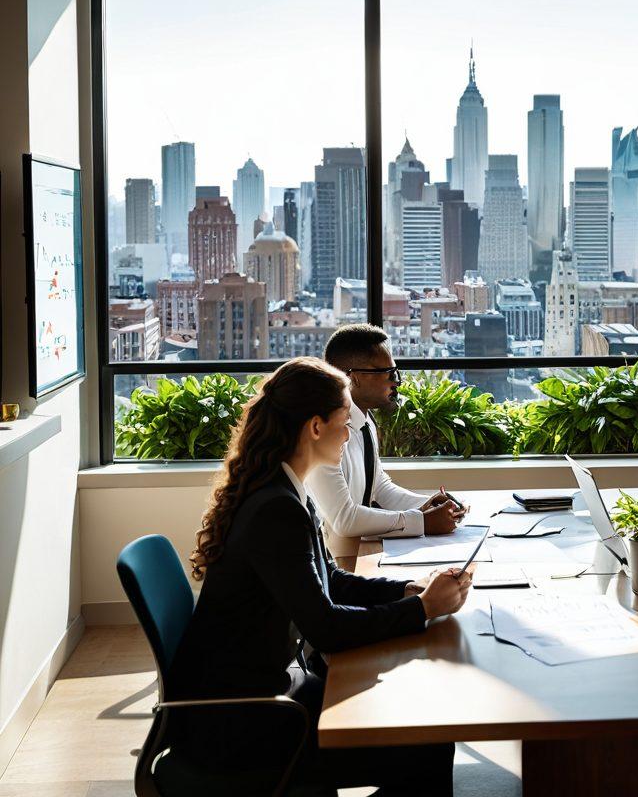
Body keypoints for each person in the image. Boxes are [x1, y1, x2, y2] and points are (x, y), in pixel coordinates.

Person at [168, 357, 470, 795]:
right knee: (427, 743)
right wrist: (422, 609)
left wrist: (408, 590)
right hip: (243, 722)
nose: (349, 434)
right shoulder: (276, 508)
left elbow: (331, 578)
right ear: (314, 427)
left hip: (264, 691)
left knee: (415, 721)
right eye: (344, 421)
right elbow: (325, 627)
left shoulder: (286, 489)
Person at [308, 324, 466, 551]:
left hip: (358, 552)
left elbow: (379, 489)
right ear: (355, 378)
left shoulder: (366, 422)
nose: (397, 382)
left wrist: (428, 505)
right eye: (389, 373)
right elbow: (344, 519)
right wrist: (421, 522)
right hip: (334, 560)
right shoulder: (325, 432)